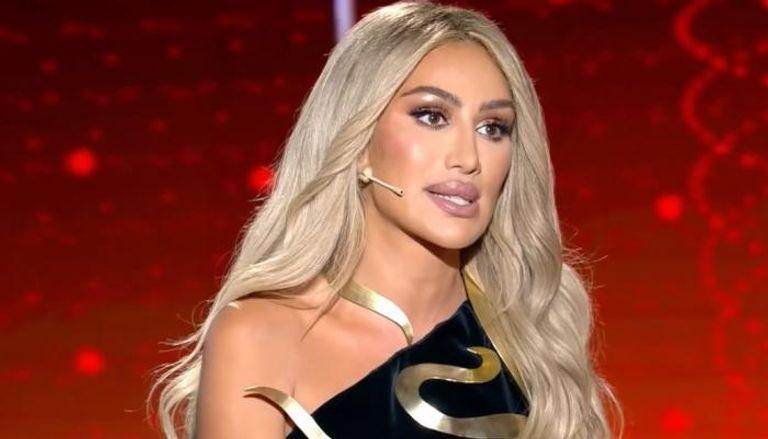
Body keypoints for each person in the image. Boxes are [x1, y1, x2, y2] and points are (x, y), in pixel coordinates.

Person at [148, 1, 624, 438]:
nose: (468, 158)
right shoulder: (261, 336)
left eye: (492, 127)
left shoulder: (533, 331)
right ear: (358, 142)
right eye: (431, 116)